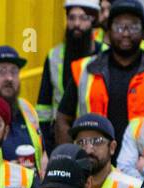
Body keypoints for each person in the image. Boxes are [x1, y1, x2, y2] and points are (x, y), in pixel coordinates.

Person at [55, 0, 144, 147]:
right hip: (93, 164)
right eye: (118, 26)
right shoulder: (85, 69)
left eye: (133, 27)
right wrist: (70, 158)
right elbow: (63, 118)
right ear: (108, 31)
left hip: (143, 165)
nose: (125, 33)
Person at [38, 2, 101, 140]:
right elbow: (44, 105)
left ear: (93, 21)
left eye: (83, 18)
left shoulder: (105, 54)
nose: (76, 24)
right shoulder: (54, 56)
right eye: (71, 18)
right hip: (61, 134)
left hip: (96, 134)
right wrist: (45, 141)